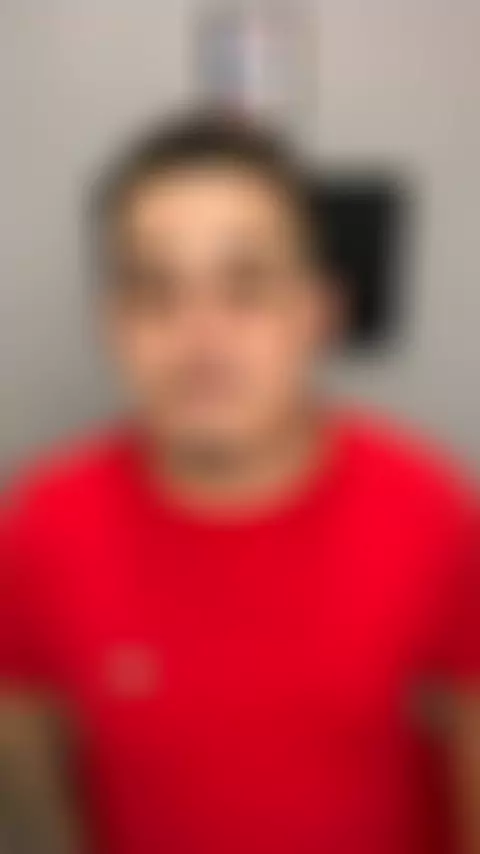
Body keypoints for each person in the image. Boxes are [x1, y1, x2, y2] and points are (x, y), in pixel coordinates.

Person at [0, 111, 478, 854]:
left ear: (317, 312)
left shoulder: (431, 511)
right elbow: (26, 766)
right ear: (113, 323)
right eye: (155, 292)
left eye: (246, 288)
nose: (201, 336)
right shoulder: (40, 527)